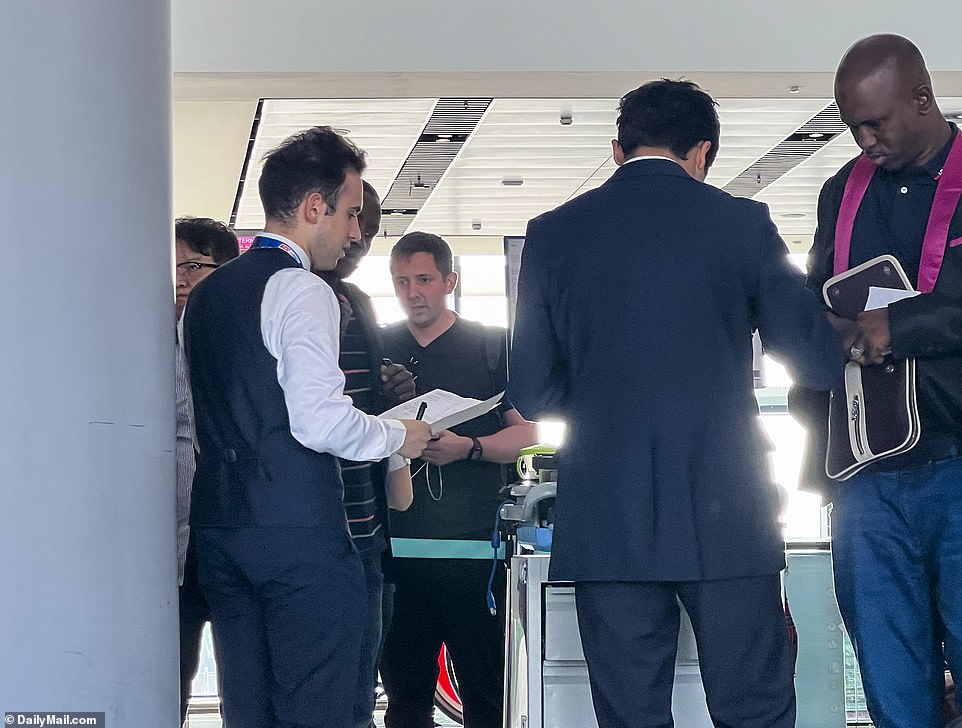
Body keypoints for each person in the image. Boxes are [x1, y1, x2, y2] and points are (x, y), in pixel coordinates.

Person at [507, 79, 848, 728]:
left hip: (608, 516)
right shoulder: (741, 224)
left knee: (631, 718)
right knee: (754, 710)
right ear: (702, 153)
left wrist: (603, 393)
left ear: (617, 150)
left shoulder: (551, 235)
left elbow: (530, 389)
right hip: (727, 509)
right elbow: (815, 360)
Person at [183, 126, 432, 728]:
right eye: (349, 214)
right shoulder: (300, 287)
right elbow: (320, 421)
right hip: (300, 534)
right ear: (313, 208)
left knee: (249, 711)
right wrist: (401, 435)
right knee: (323, 707)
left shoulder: (208, 293)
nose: (354, 232)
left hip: (219, 526)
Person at [791, 34, 962, 728]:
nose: (863, 139)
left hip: (957, 462)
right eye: (851, 124)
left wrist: (904, 327)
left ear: (921, 98)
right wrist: (822, 327)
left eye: (876, 122)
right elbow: (816, 293)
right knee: (893, 683)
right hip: (865, 475)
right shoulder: (843, 191)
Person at [378, 231, 538, 728]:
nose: (413, 292)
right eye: (402, 282)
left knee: (485, 699)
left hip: (475, 552)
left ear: (450, 280)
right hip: (396, 553)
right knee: (405, 702)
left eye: (424, 279)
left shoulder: (492, 347)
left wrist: (470, 447)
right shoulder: (376, 348)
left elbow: (534, 432)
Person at [317, 180, 416, 728]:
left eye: (371, 231)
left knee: (360, 692)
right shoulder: (290, 294)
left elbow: (364, 401)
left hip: (368, 527)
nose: (358, 241)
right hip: (312, 530)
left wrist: (389, 389)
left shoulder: (358, 301)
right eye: (353, 221)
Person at [173, 215, 239, 726]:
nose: (180, 278)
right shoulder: (134, 345)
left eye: (193, 266)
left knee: (243, 674)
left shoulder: (243, 344)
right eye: (172, 267)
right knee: (172, 667)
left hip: (232, 523)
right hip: (170, 535)